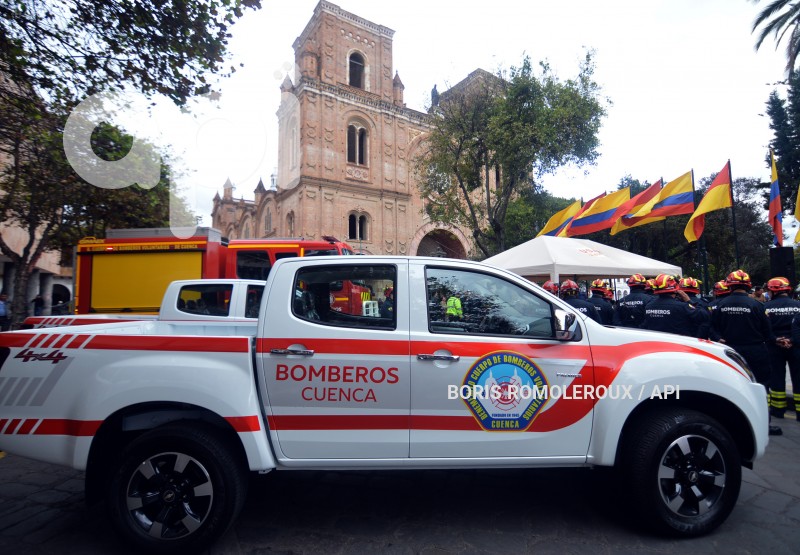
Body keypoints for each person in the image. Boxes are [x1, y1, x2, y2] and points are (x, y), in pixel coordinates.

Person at [711, 269, 782, 436]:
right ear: (748, 285)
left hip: (730, 351)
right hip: (756, 350)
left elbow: (712, 328)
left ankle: (730, 424)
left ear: (729, 285)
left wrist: (718, 338)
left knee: (729, 386)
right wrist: (776, 340)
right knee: (761, 387)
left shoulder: (720, 305)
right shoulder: (757, 305)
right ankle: (764, 424)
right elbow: (767, 332)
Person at [764, 277, 800, 419]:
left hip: (775, 346)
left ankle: (778, 410)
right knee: (798, 379)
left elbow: (765, 329)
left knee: (777, 378)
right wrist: (791, 340)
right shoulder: (798, 305)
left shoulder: (766, 307)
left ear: (772, 291)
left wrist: (777, 340)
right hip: (796, 346)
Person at [639, 274, 707, 337]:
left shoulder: (649, 306)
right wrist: (689, 301)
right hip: (678, 344)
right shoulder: (682, 306)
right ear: (676, 289)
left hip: (657, 344)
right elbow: (704, 316)